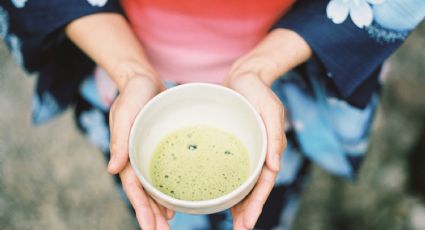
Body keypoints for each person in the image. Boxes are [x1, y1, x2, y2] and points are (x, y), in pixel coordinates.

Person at [0, 0, 424, 229]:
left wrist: (258, 67)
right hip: (128, 80)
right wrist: (131, 71)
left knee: (266, 206)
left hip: (278, 89)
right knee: (156, 210)